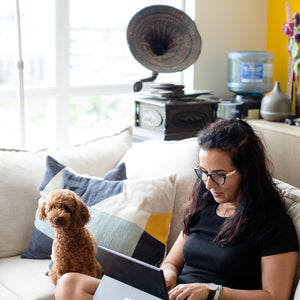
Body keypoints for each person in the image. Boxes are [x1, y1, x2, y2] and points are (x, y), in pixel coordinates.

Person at [55, 119, 298, 300]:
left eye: (219, 175)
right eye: (203, 172)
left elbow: (275, 296)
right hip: (172, 297)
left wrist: (213, 292)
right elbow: (170, 263)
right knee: (70, 283)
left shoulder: (273, 224)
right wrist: (168, 275)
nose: (208, 183)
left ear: (248, 171)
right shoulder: (203, 209)